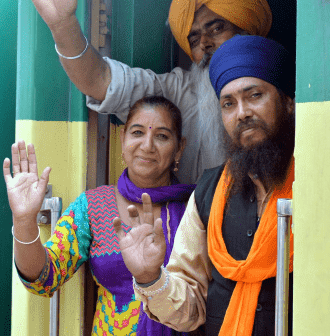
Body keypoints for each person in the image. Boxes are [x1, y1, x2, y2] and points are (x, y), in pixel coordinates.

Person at [10, 0, 294, 184]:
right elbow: (98, 81)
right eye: (193, 38)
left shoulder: (285, 87)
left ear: (247, 31)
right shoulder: (178, 90)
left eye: (217, 28)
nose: (205, 44)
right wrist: (63, 25)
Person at [113, 35, 295, 336]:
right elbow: (190, 309)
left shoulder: (317, 181)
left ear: (287, 102)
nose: (242, 113)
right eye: (228, 103)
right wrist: (149, 278)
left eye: (254, 96)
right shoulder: (208, 192)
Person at [4, 96, 199, 336]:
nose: (147, 145)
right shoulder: (93, 206)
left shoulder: (197, 209)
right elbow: (44, 278)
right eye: (138, 132)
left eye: (162, 136)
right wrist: (24, 221)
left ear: (179, 148)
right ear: (122, 138)